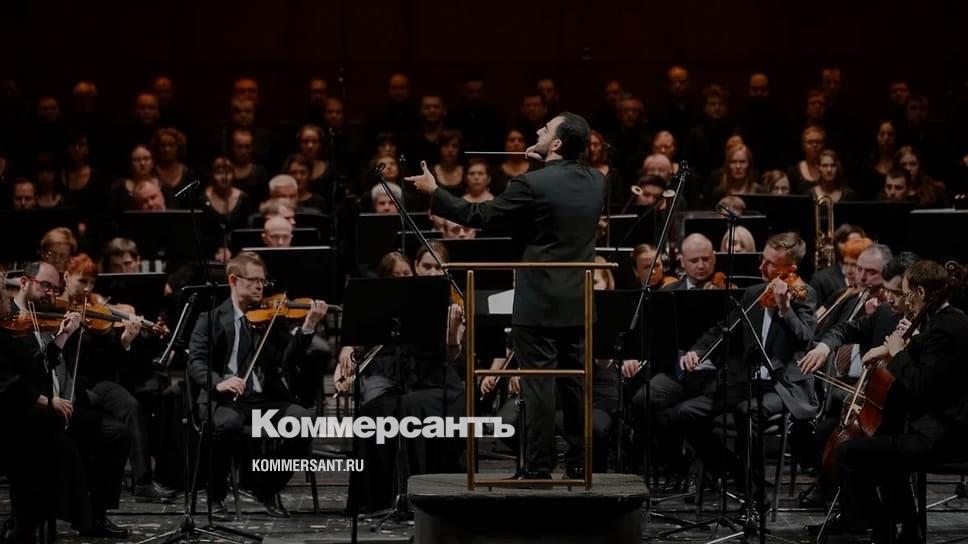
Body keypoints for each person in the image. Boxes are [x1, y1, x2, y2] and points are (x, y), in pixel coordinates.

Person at [406, 111, 603, 479]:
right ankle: (579, 462)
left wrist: (435, 192)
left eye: (546, 129)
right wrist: (542, 166)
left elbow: (480, 215)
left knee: (539, 384)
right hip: (578, 299)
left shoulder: (530, 183)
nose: (538, 130)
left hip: (538, 299)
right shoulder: (597, 181)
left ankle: (539, 466)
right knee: (575, 382)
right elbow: (555, 209)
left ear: (557, 143)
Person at [827, 260, 968, 542]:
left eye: (906, 294)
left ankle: (883, 528)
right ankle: (906, 530)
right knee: (884, 455)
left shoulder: (945, 328)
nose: (905, 301)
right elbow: (924, 350)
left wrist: (898, 353)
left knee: (848, 454)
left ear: (920, 292)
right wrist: (889, 348)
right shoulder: (949, 318)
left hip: (942, 435)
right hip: (937, 426)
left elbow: (921, 385)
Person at [676, 233, 818, 507]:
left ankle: (757, 499)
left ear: (790, 269)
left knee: (747, 411)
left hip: (783, 386)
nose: (761, 267)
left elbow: (806, 337)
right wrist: (697, 351)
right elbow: (722, 329)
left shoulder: (804, 294)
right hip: (749, 382)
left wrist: (785, 308)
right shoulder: (754, 293)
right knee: (686, 413)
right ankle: (737, 473)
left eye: (771, 264)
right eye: (763, 260)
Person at [188, 252, 328, 518]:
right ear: (233, 280)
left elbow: (289, 360)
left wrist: (309, 325)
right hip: (223, 400)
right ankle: (216, 496)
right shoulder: (211, 318)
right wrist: (220, 383)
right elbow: (196, 362)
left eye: (262, 281)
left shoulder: (269, 319)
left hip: (260, 400)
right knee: (227, 424)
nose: (260, 286)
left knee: (304, 420)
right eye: (253, 280)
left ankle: (266, 487)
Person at [5, 261, 132, 538]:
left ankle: (96, 516)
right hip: (31, 412)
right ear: (24, 282)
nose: (51, 294)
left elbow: (60, 364)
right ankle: (30, 519)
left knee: (117, 433)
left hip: (61, 405)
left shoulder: (49, 317)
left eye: (55, 288)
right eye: (45, 286)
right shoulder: (9, 322)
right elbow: (17, 380)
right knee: (65, 450)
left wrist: (68, 333)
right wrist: (47, 401)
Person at [795, 251, 916, 512]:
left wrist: (912, 343)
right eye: (888, 291)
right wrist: (824, 348)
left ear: (914, 292)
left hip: (909, 413)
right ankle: (850, 509)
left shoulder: (930, 325)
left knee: (854, 450)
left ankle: (876, 515)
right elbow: (844, 329)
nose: (890, 298)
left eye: (897, 293)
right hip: (877, 408)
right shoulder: (885, 314)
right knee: (824, 433)